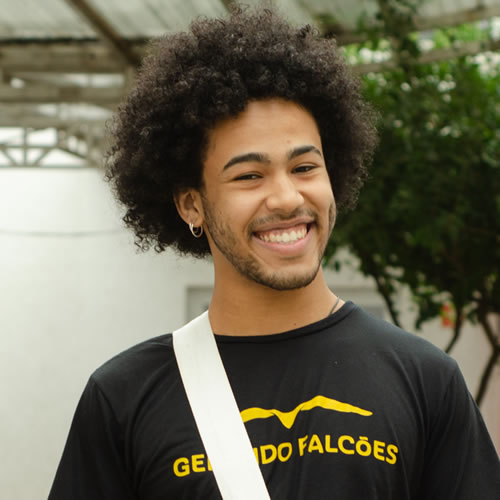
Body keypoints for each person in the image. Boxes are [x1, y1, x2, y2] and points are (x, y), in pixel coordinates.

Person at [48, 6, 500, 500]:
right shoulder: (124, 397)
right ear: (191, 204)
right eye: (249, 175)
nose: (287, 198)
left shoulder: (426, 380)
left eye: (305, 167)